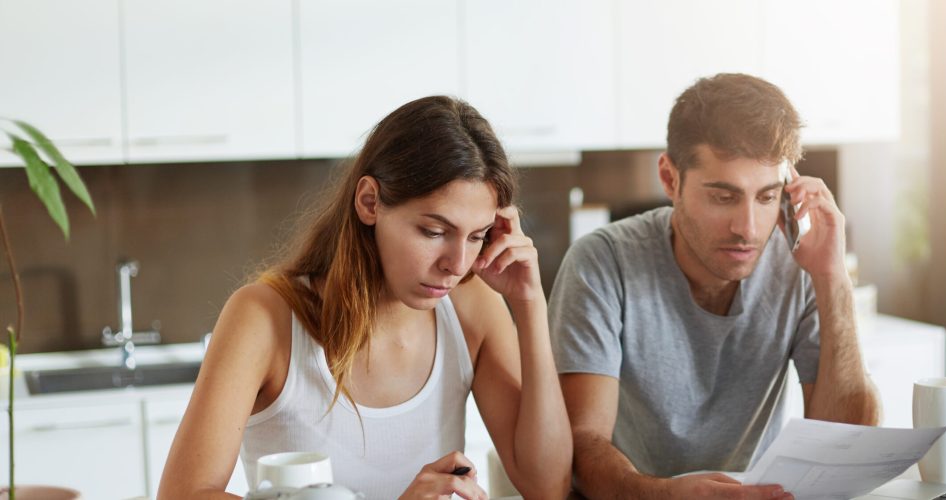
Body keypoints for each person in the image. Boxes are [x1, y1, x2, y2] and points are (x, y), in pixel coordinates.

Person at [158, 96, 572, 500]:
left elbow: (547, 486)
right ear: (370, 202)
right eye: (433, 232)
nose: (457, 264)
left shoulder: (471, 308)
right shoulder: (263, 318)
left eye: (477, 236)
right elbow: (182, 494)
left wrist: (529, 302)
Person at [550, 73, 881, 499]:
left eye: (766, 198)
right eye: (723, 197)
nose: (748, 229)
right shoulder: (603, 263)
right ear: (670, 180)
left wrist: (831, 276)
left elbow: (845, 442)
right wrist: (666, 496)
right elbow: (581, 447)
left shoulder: (799, 265)